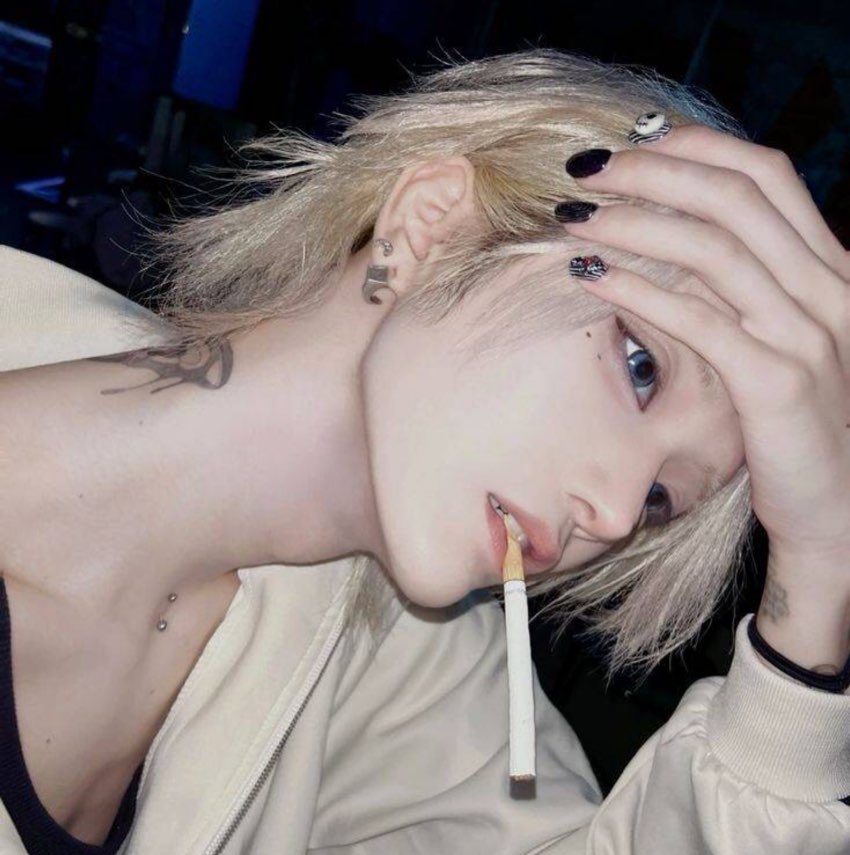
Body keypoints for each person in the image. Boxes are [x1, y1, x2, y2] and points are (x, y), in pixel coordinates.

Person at [1, 47, 849, 854]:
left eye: (663, 496)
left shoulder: (397, 659)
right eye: (639, 366)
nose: (619, 512)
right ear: (430, 223)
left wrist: (822, 565)